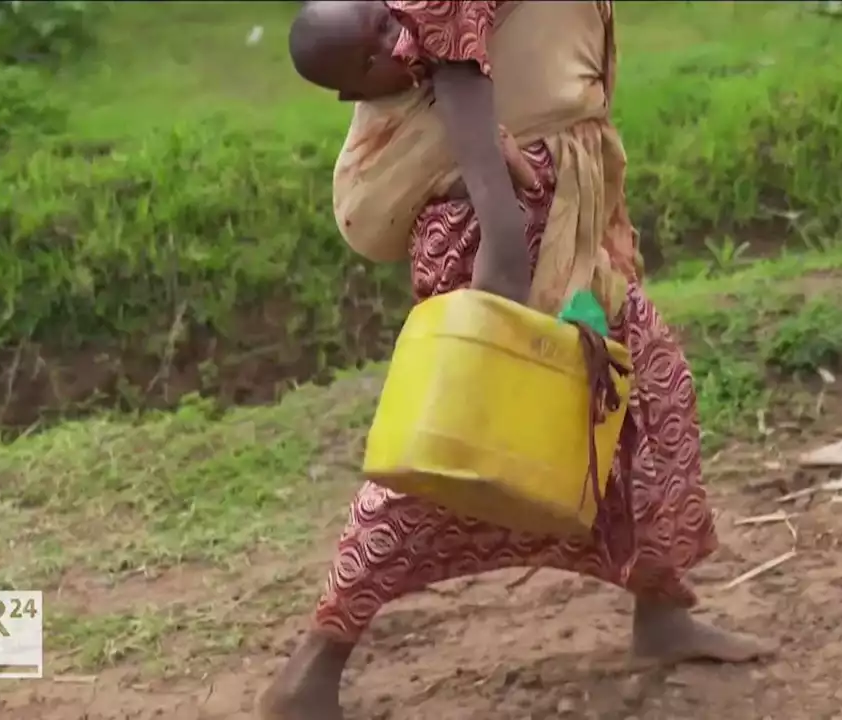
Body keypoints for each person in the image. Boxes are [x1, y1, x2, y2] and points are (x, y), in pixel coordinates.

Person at [259, 3, 769, 718]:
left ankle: (660, 609)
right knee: (456, 439)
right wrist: (499, 234)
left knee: (644, 396)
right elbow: (453, 43)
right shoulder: (479, 170)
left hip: (556, 197)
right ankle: (313, 667)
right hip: (504, 216)